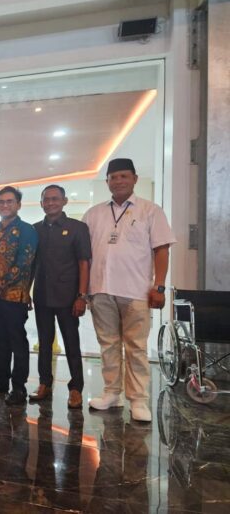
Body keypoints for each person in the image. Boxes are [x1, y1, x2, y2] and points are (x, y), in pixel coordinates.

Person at [82, 158, 175, 422]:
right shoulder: (94, 214)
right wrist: (85, 291)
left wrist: (159, 286)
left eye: (124, 176)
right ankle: (112, 393)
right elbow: (84, 256)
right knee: (108, 345)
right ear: (107, 182)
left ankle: (138, 400)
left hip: (136, 291)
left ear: (134, 179)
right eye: (114, 177)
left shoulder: (150, 210)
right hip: (100, 289)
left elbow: (162, 250)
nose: (119, 181)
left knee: (136, 346)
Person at [29, 185, 91, 409]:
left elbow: (84, 263)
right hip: (42, 296)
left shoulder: (77, 228)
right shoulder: (35, 229)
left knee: (72, 343)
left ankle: (76, 388)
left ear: (64, 201)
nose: (50, 203)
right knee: (44, 343)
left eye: (55, 199)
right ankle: (44, 383)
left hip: (68, 297)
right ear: (41, 203)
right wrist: (26, 292)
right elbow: (31, 265)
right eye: (46, 199)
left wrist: (82, 296)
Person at [0, 186, 38, 406]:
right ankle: (1, 380)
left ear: (18, 205)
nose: (5, 205)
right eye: (1, 202)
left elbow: (23, 263)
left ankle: (19, 387)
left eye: (9, 201)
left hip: (14, 297)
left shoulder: (27, 230)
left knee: (17, 342)